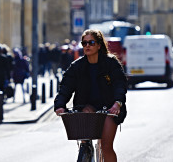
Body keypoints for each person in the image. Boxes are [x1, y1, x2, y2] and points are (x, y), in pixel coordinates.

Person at [54, 29, 127, 162]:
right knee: (85, 117)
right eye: (84, 43)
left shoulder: (110, 63)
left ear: (99, 45)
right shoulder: (77, 66)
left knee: (106, 146)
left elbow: (120, 85)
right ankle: (86, 149)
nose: (87, 46)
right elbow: (65, 87)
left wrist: (117, 103)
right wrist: (60, 105)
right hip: (88, 106)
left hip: (109, 107)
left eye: (91, 42)